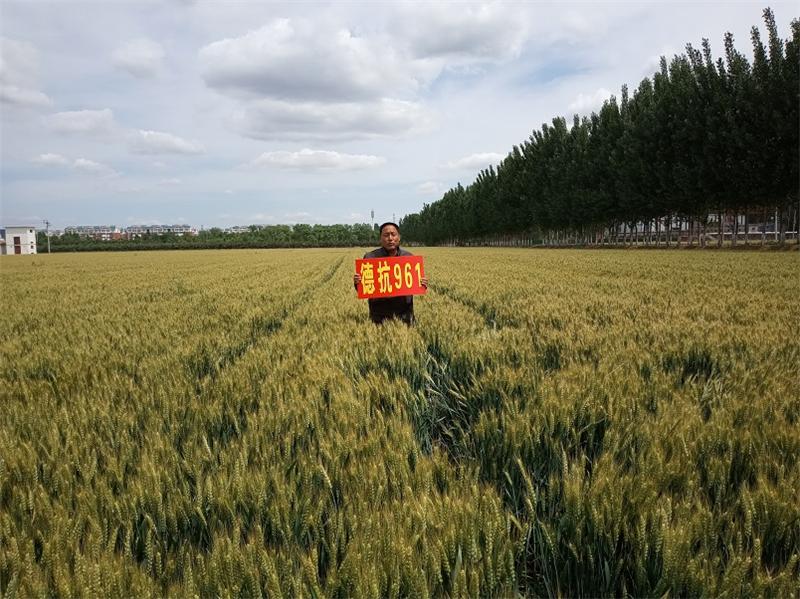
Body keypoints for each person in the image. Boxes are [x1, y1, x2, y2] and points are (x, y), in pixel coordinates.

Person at [353, 222, 428, 325]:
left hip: (405, 315)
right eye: (386, 235)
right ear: (380, 238)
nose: (390, 238)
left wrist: (422, 284)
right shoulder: (370, 258)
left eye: (393, 234)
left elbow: (415, 284)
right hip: (379, 316)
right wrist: (358, 282)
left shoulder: (409, 258)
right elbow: (363, 289)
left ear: (399, 237)